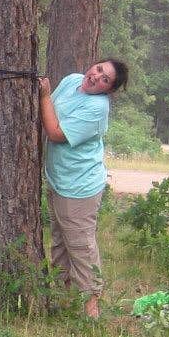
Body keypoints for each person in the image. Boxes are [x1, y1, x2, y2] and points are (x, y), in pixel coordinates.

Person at [40, 57, 128, 318]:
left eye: (105, 80)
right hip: (59, 179)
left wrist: (43, 95)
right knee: (60, 244)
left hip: (79, 187)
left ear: (108, 90)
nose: (96, 77)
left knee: (80, 247)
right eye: (98, 69)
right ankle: (64, 303)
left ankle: (91, 311)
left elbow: (56, 133)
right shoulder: (71, 81)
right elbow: (49, 110)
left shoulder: (98, 108)